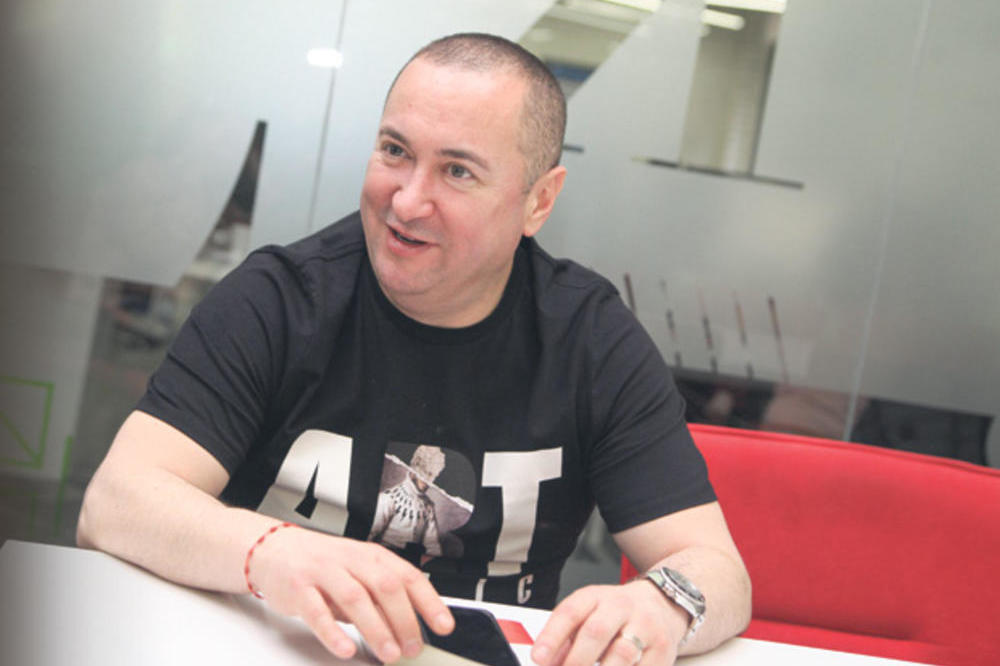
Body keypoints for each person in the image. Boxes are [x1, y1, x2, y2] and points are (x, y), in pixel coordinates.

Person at [77, 32, 751, 666]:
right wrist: (273, 552)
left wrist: (659, 607)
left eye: (457, 171)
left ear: (538, 202)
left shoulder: (591, 341)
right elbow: (117, 502)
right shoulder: (280, 300)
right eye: (395, 150)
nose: (406, 201)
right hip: (275, 643)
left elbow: (717, 570)